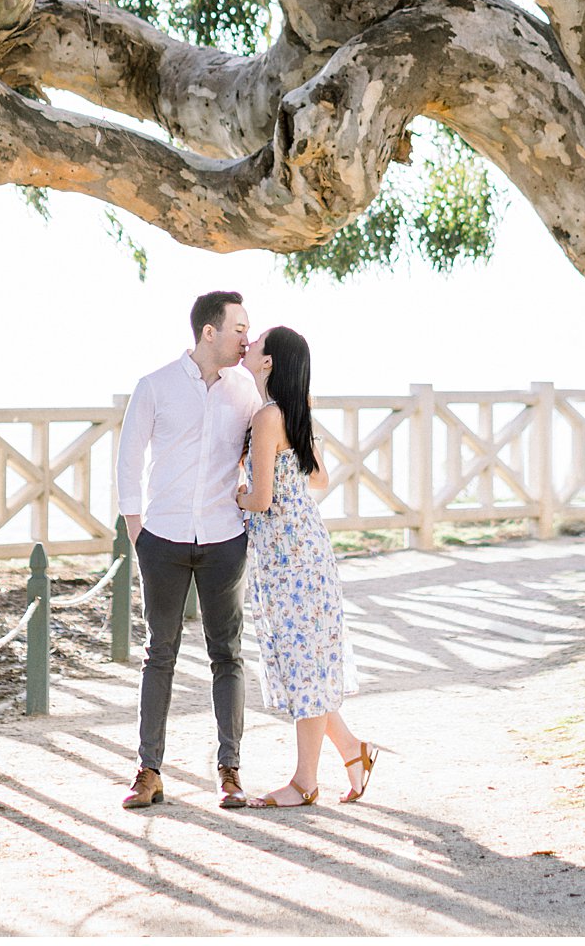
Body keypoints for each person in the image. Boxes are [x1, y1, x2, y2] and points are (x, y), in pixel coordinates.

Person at [115, 290, 259, 810]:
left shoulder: (246, 391)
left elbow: (269, 443)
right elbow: (128, 461)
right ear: (209, 332)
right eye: (239, 328)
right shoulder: (154, 386)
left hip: (224, 539)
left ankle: (230, 772)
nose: (247, 337)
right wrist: (139, 535)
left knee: (228, 655)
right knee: (161, 654)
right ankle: (148, 772)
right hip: (164, 540)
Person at [237, 325, 379, 808]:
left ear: (269, 361)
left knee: (304, 666)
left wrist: (234, 494)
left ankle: (304, 782)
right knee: (310, 666)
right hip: (307, 552)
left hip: (287, 559)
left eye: (256, 342)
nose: (248, 344)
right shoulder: (291, 412)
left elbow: (259, 498)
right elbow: (316, 476)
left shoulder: (266, 416)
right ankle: (354, 752)